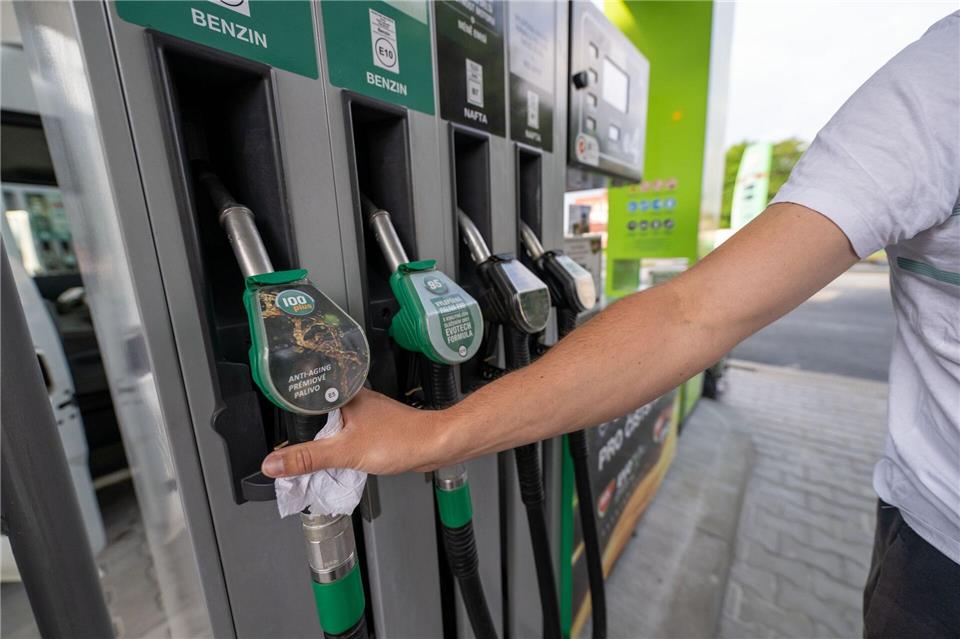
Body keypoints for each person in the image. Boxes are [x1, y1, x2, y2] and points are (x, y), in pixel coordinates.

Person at [263, 12, 960, 638]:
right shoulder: (938, 87)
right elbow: (694, 312)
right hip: (941, 547)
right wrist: (435, 434)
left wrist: (440, 434)